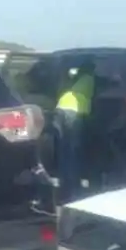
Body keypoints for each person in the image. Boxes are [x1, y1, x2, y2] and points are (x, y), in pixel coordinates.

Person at [52, 62, 96, 204]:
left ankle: (64, 185)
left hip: (60, 108)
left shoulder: (76, 78)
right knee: (73, 150)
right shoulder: (90, 78)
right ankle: (73, 189)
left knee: (64, 149)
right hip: (73, 113)